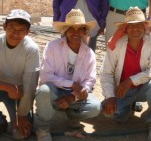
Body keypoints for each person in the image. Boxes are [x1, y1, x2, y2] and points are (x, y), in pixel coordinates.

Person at [34, 9, 101, 141]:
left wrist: (72, 96)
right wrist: (72, 84)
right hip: (55, 91)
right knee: (44, 91)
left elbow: (90, 81)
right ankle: (42, 129)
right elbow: (46, 76)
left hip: (73, 95)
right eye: (71, 28)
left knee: (95, 107)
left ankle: (72, 123)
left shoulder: (89, 54)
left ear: (85, 31)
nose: (75, 33)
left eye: (79, 29)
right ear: (65, 30)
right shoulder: (52, 47)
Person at [100, 7, 151, 141]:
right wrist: (110, 96)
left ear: (144, 26)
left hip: (144, 88)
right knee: (111, 114)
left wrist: (130, 81)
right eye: (131, 26)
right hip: (123, 90)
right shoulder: (116, 43)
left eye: (139, 25)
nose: (135, 29)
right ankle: (128, 107)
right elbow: (106, 72)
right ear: (126, 28)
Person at [0, 9, 40, 140]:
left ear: (28, 32)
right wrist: (7, 87)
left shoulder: (31, 49)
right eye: (11, 28)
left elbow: (30, 85)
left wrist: (22, 114)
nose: (15, 33)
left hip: (20, 92)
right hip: (2, 86)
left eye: (21, 30)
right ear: (4, 26)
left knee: (20, 135)